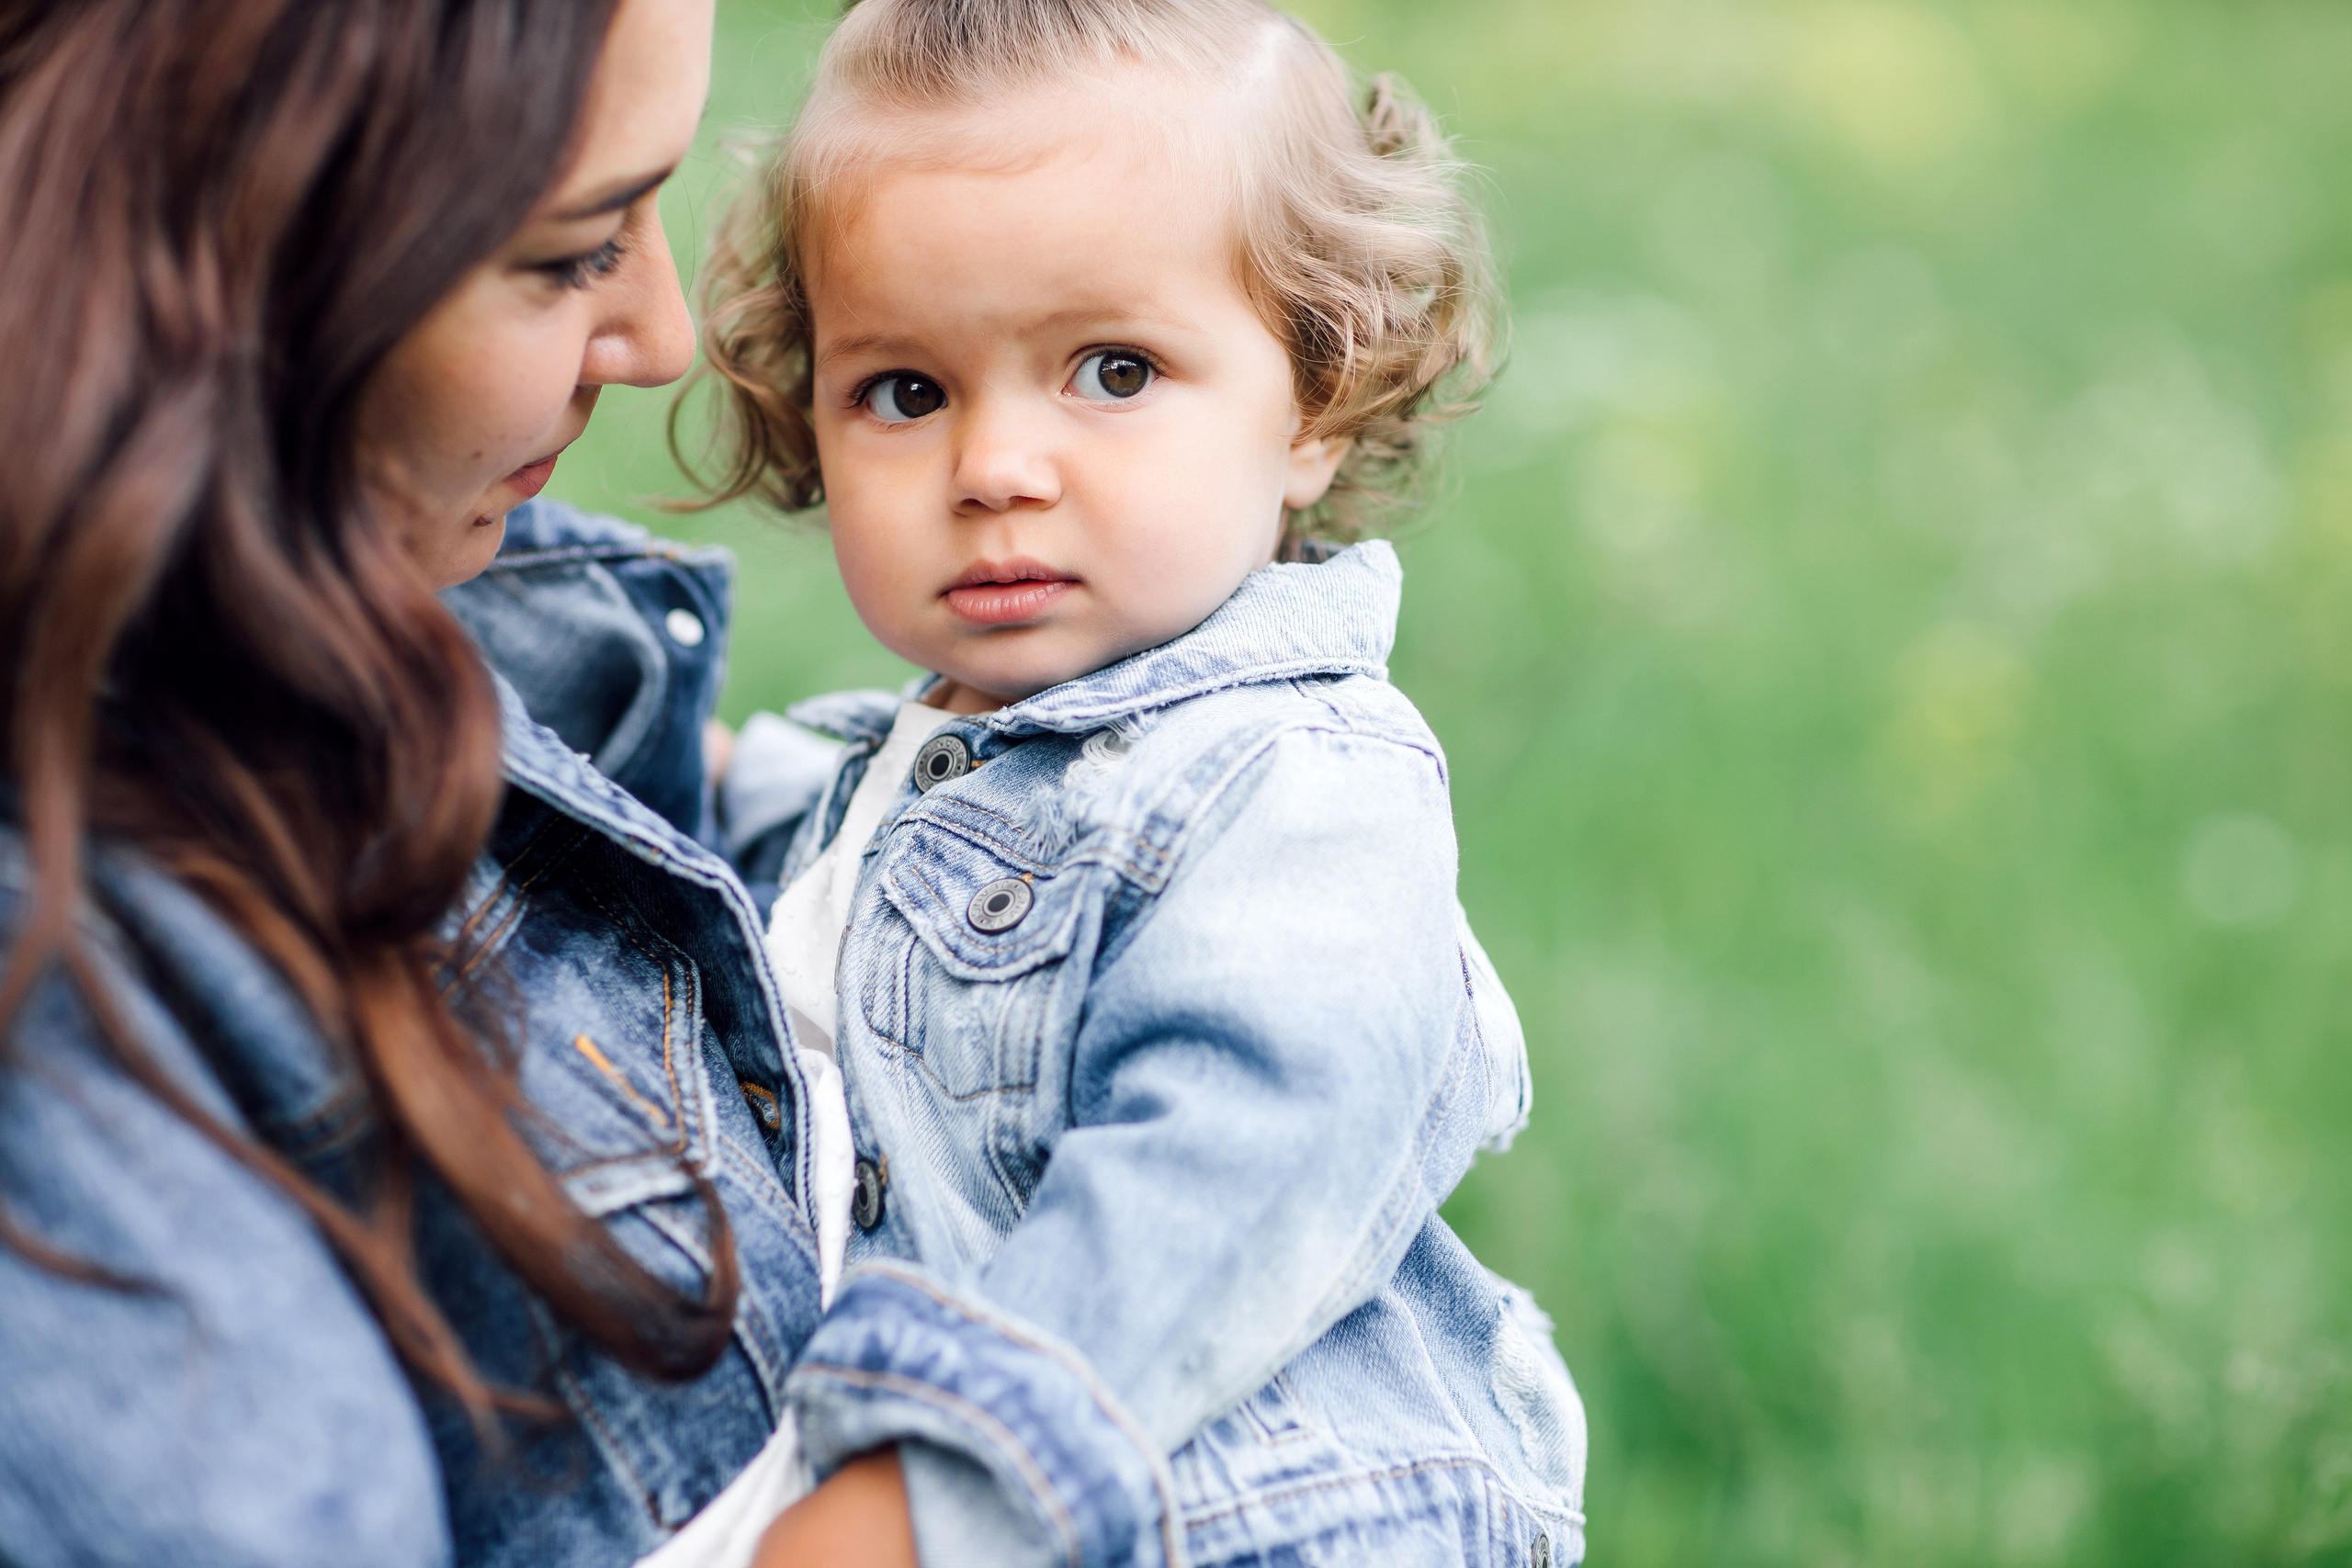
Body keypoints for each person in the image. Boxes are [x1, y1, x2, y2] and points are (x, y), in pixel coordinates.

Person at [0, 3, 903, 1564]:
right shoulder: (71, 1005)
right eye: (571, 251)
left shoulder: (365, 594)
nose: (664, 341)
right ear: (197, 241)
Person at [696, 2, 1589, 1564]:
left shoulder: (1299, 785)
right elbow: (836, 866)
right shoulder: (937, 759)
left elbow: (1238, 1159)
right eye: (905, 391)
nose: (995, 466)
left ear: (1311, 398)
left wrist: (933, 1491)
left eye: (1112, 370)